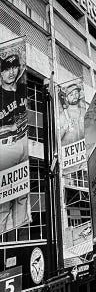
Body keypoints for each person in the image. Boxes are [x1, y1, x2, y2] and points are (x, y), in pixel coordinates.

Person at [0, 52, 29, 235]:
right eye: (6, 69)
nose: (11, 72)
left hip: (23, 141)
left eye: (14, 67)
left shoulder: (21, 89)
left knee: (22, 195)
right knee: (2, 198)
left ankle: (20, 235)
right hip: (4, 146)